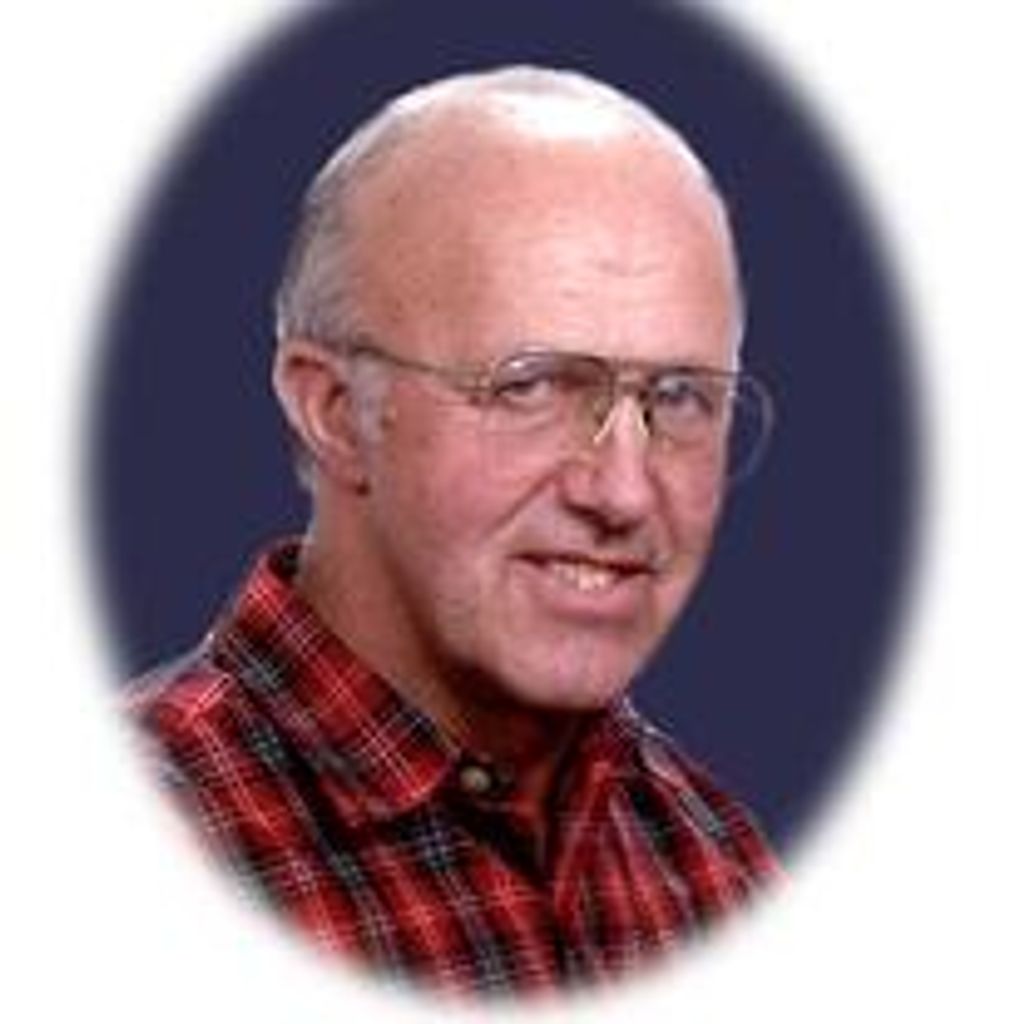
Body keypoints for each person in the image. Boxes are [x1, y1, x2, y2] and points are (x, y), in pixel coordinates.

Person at [128, 65, 780, 997]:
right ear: (335, 412)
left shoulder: (717, 863)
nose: (624, 493)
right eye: (532, 387)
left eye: (679, 397)